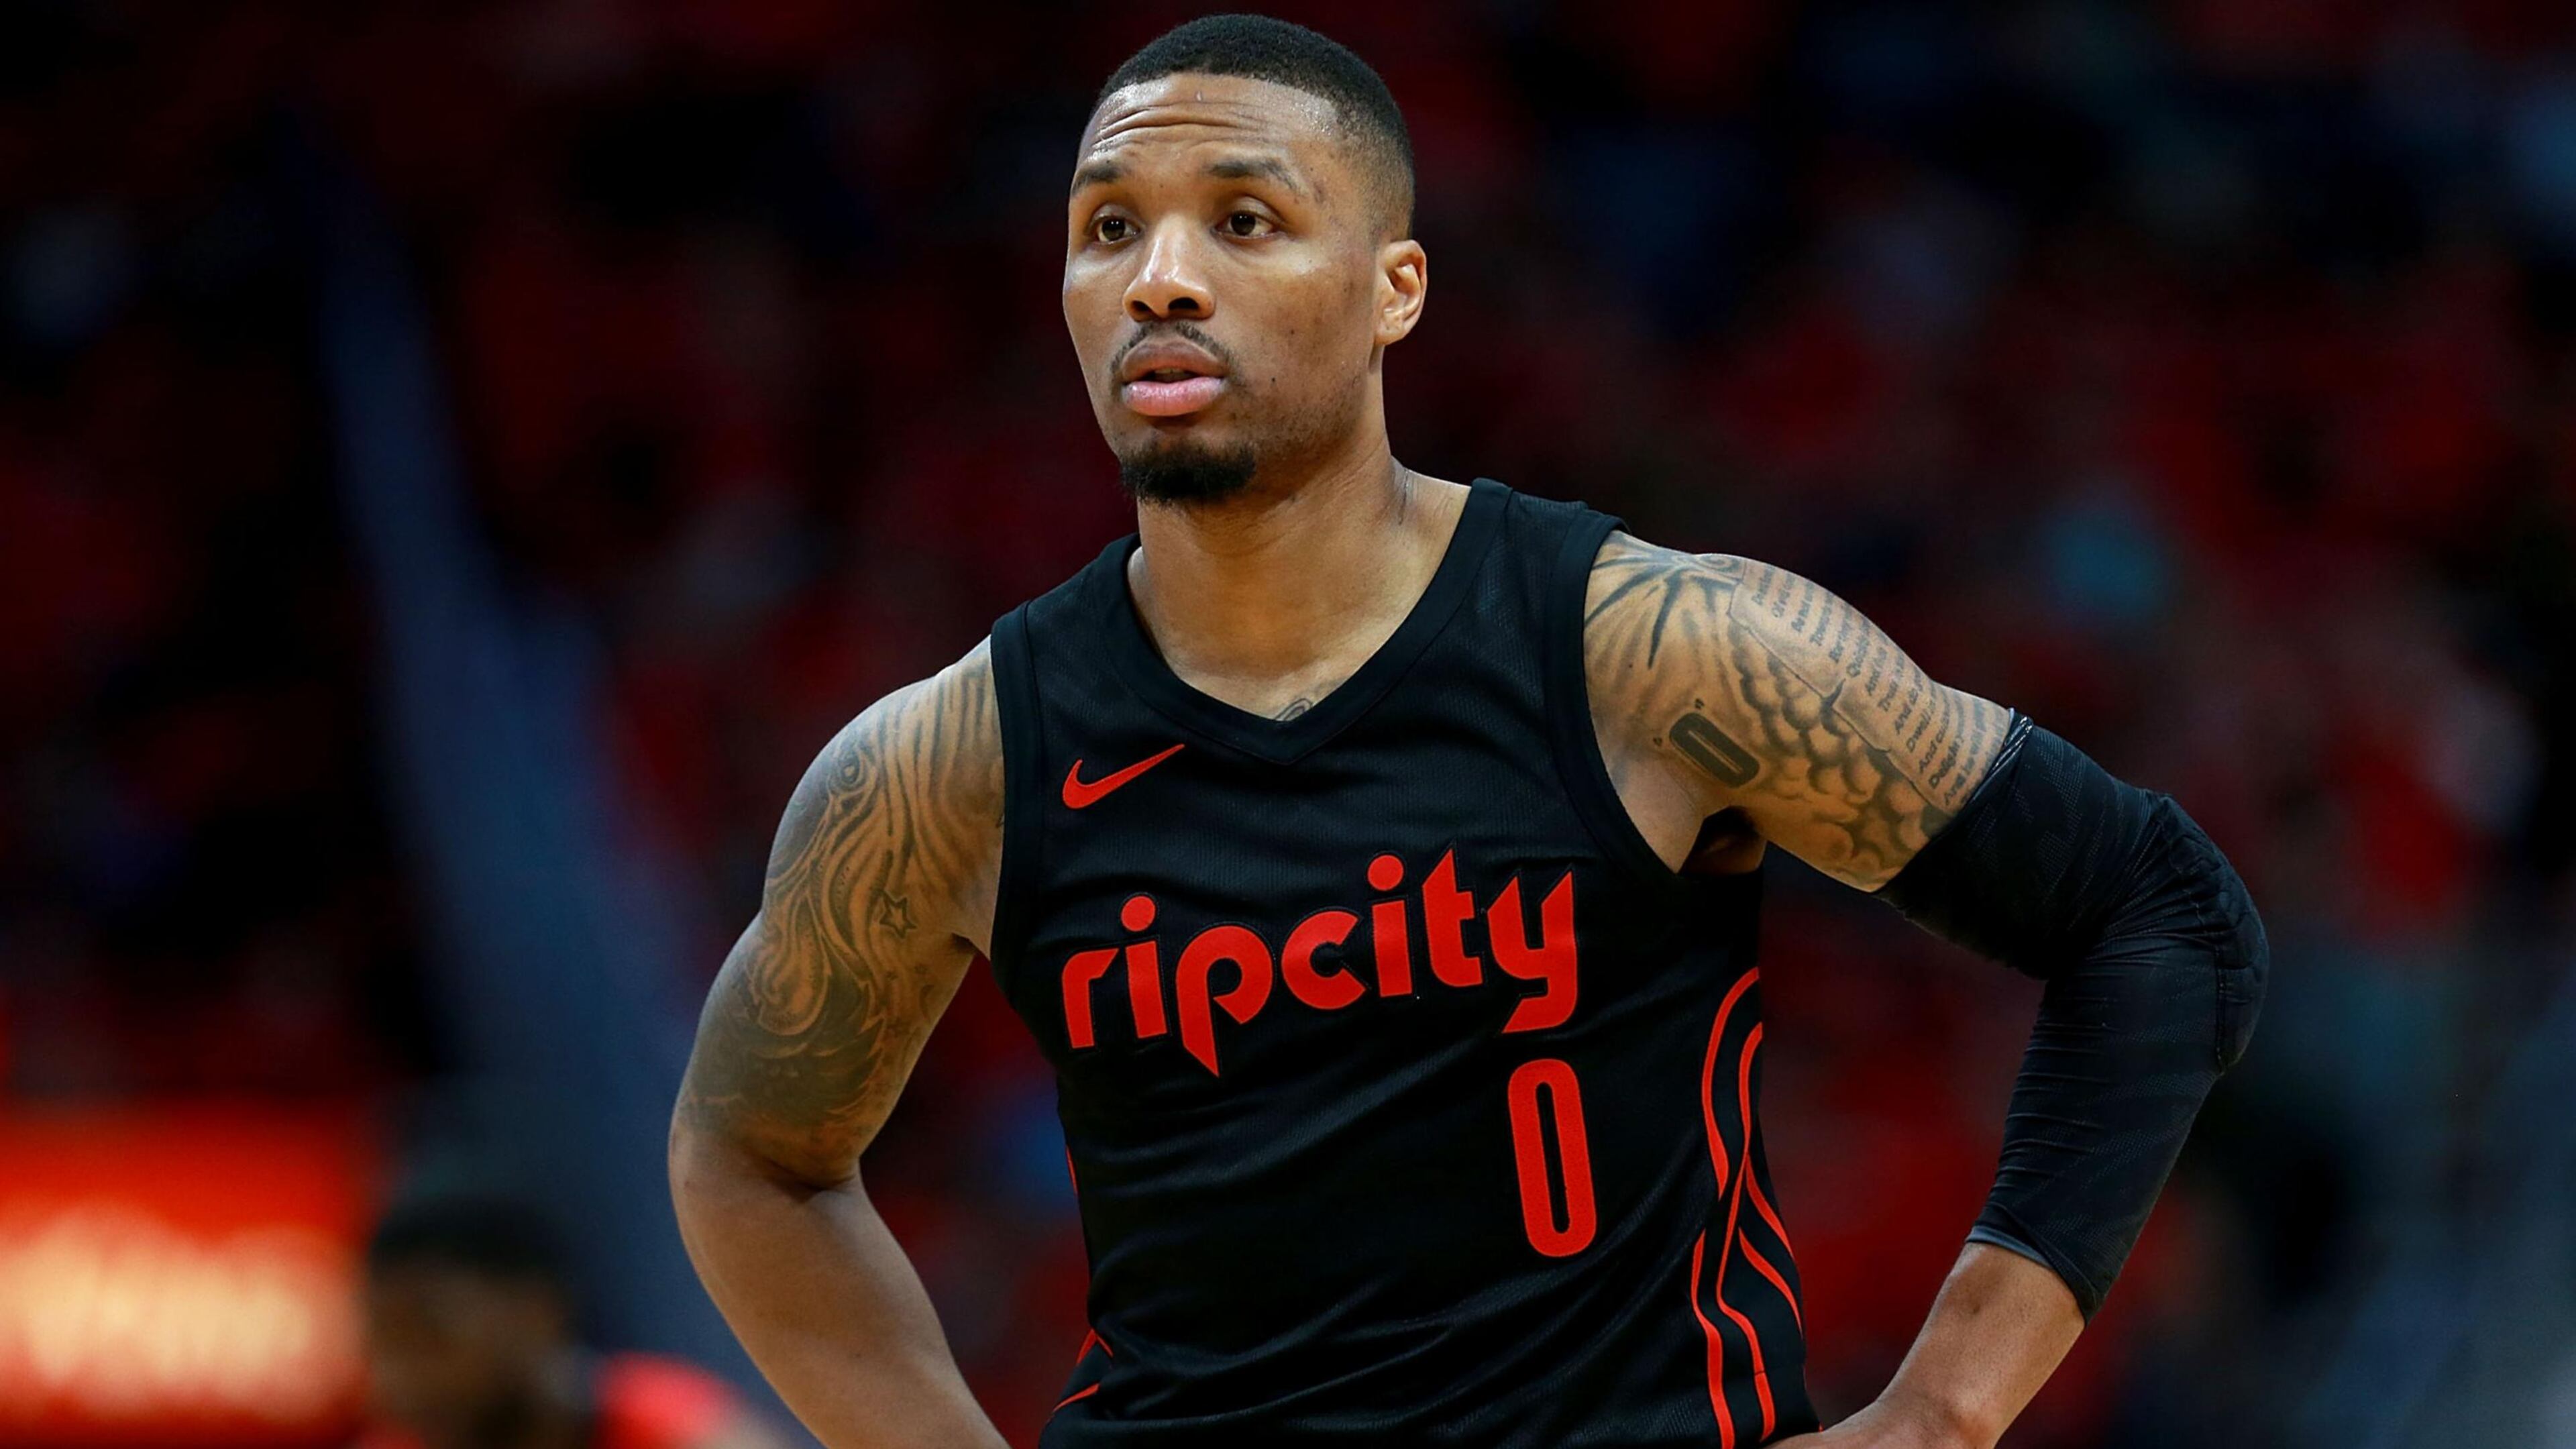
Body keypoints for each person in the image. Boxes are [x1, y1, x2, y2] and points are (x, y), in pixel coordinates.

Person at [665, 14, 2269, 1448]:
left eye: (1243, 220)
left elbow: (2160, 913)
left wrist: (1939, 1413)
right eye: (1109, 228)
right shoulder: (954, 761)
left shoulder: (1653, 652)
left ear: (1395, 290)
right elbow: (751, 1157)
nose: (1160, 276)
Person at [361, 1193, 784, 1449]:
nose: (401, 1378)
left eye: (432, 1333)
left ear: (536, 1310)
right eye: (384, 1344)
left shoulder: (676, 1429)